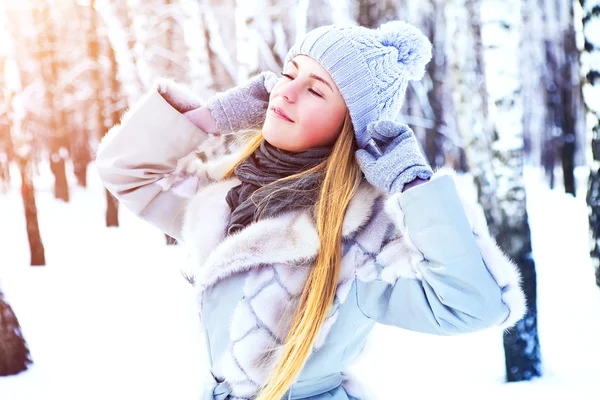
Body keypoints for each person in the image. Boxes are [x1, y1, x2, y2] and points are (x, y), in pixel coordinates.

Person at [96, 20, 526, 400]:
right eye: (288, 74)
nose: (286, 91)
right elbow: (123, 170)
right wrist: (214, 117)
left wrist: (411, 183)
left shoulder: (364, 236)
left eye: (315, 89)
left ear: (350, 127)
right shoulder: (224, 193)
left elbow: (476, 305)